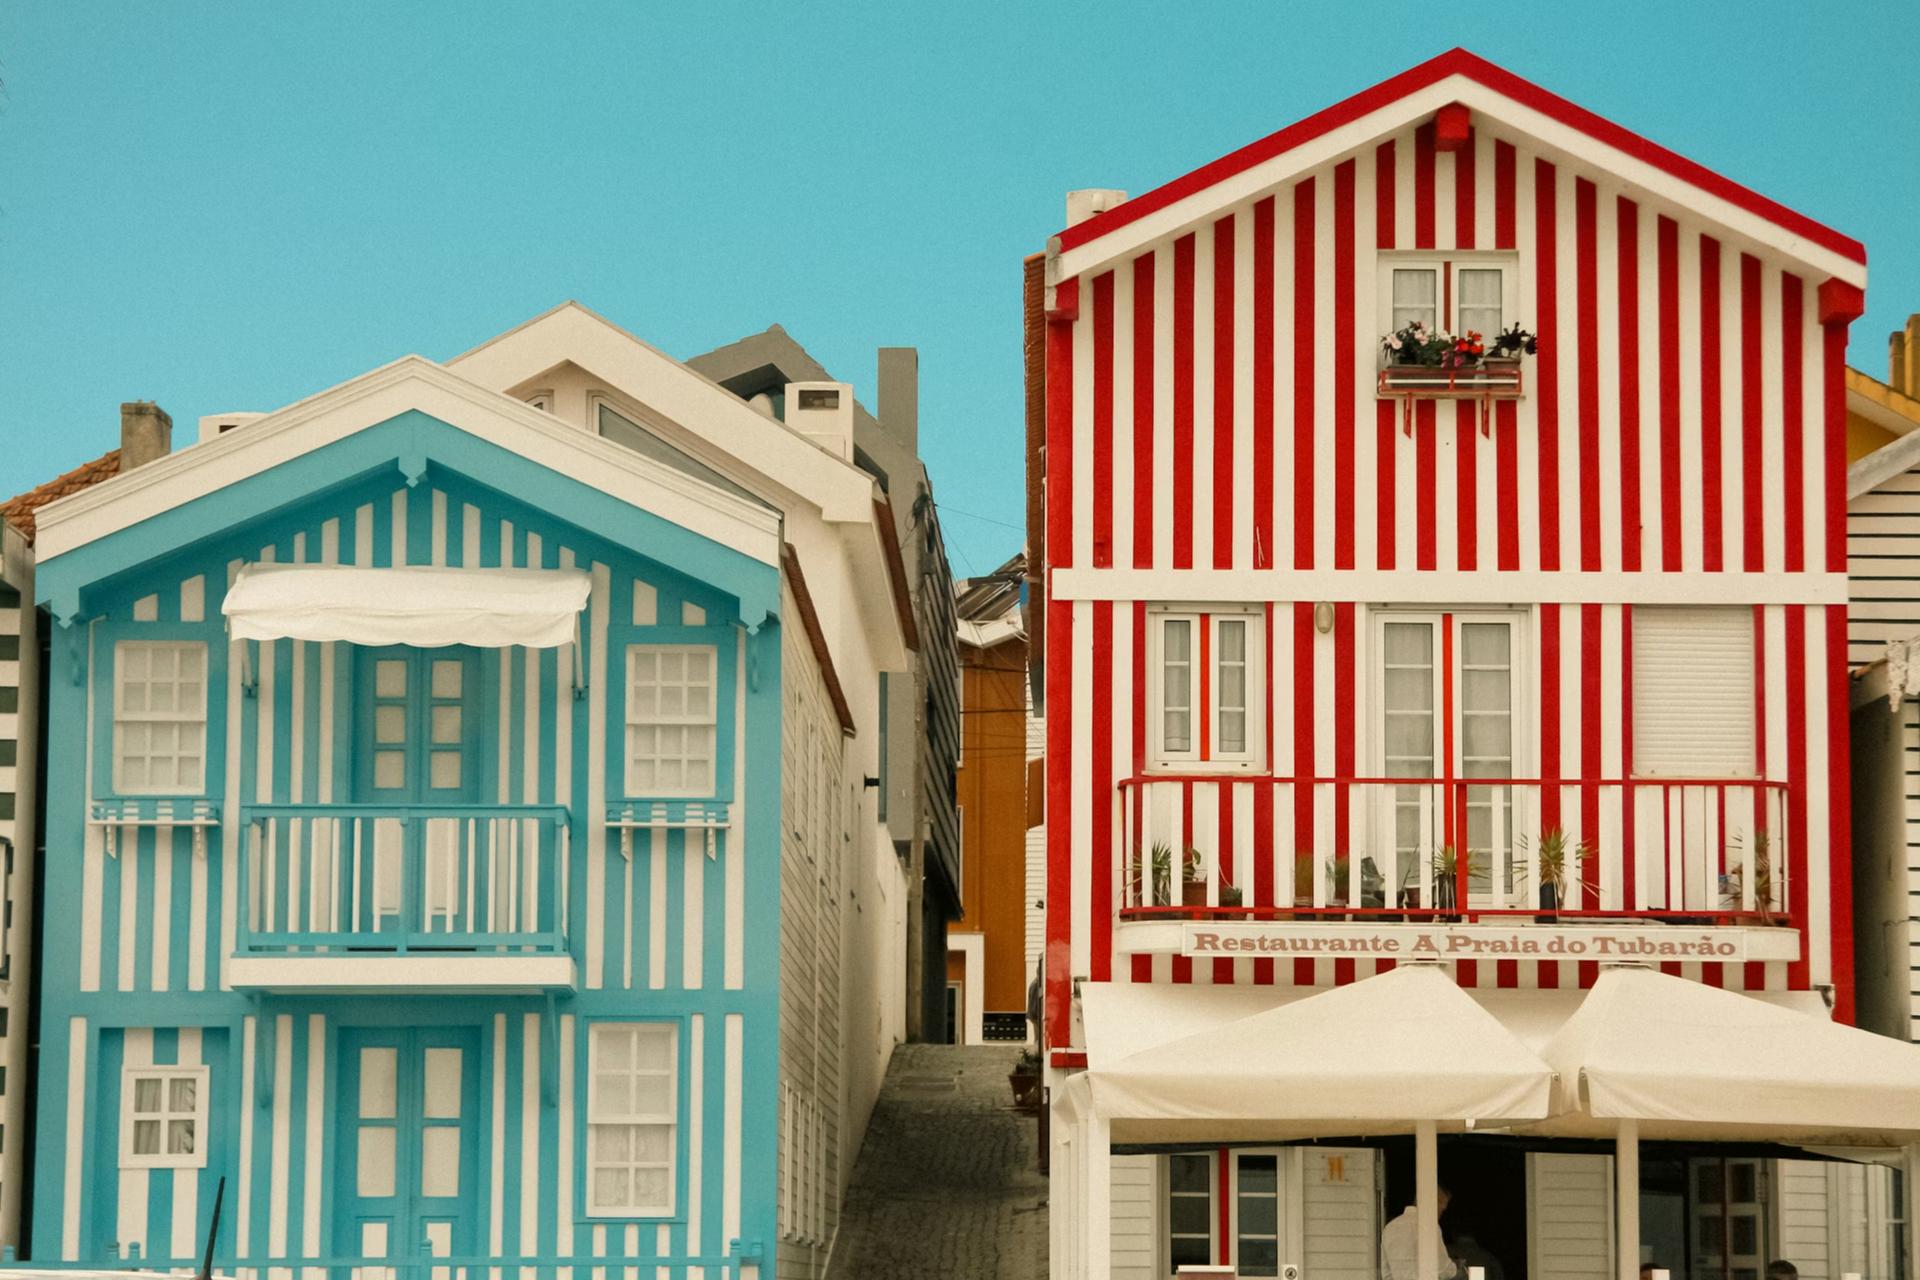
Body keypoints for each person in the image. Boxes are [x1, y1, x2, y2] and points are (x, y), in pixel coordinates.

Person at [1381, 1184, 1455, 1280]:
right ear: (1433, 1201)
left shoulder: (1389, 1228)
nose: (1441, 1215)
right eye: (1442, 1209)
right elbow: (1443, 1269)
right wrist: (1457, 1270)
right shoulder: (1429, 1226)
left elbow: (1386, 1273)